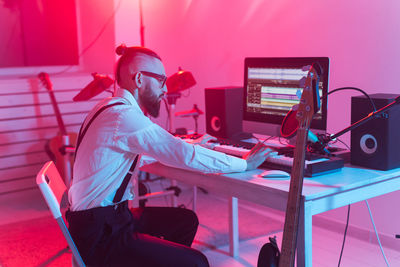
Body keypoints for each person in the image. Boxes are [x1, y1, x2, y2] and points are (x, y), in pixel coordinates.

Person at [66, 45, 275, 267]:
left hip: (103, 219)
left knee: (185, 221)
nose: (165, 89)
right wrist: (243, 164)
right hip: (101, 233)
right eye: (160, 80)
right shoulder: (123, 116)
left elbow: (130, 154)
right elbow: (181, 154)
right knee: (197, 262)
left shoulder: (108, 106)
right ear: (138, 79)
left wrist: (187, 145)